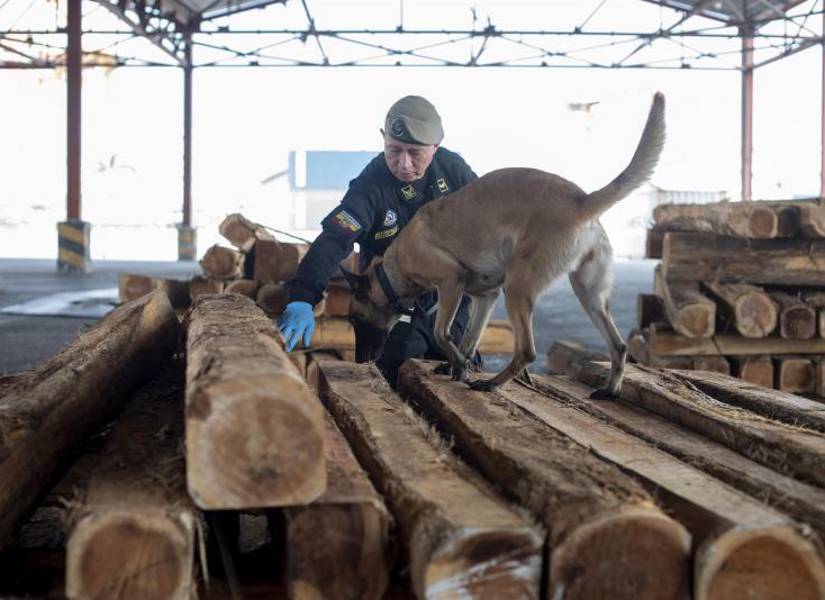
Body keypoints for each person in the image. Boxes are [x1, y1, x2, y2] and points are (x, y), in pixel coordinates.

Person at [278, 95, 480, 388]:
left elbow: (487, 218)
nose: (403, 163)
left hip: (451, 298)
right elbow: (335, 240)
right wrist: (302, 297)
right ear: (383, 139)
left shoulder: (452, 169)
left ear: (435, 148)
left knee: (462, 380)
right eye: (394, 150)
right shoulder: (370, 187)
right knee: (398, 381)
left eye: (415, 153)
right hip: (393, 310)